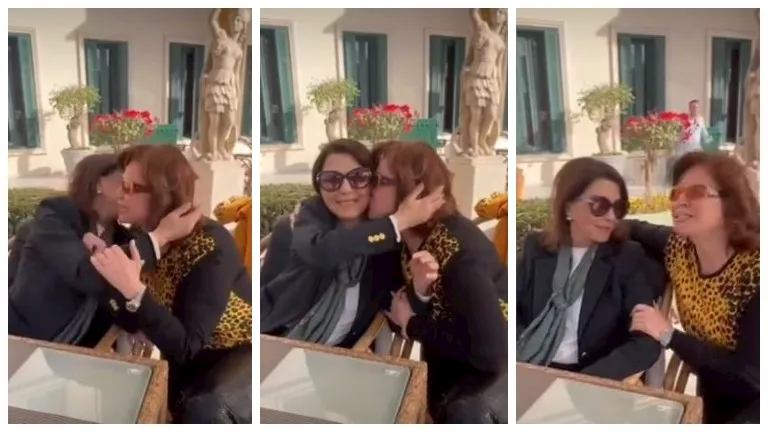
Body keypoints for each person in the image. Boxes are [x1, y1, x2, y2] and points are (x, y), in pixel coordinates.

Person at [89, 144, 252, 423]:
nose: (119, 195)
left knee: (202, 409)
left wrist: (136, 293)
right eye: (120, 184)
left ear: (161, 194)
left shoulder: (209, 246)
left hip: (234, 354)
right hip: (180, 357)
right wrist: (134, 305)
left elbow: (187, 344)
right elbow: (115, 301)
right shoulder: (143, 235)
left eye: (130, 187)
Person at [370, 140, 508, 423]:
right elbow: (392, 306)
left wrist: (413, 325)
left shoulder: (459, 252)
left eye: (381, 181)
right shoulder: (402, 241)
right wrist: (418, 297)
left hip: (481, 393)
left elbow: (491, 354)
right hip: (443, 383)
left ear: (415, 193)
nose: (369, 188)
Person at [260, 139, 444, 348]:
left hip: (339, 354)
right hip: (272, 342)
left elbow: (393, 303)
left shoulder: (384, 240)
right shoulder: (305, 221)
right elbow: (321, 252)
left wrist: (420, 288)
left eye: (358, 177)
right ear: (319, 187)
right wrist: (397, 222)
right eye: (331, 180)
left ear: (373, 183)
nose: (345, 189)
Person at [627, 151, 759, 424]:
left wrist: (668, 334)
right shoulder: (679, 249)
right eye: (676, 193)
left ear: (732, 203)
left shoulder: (755, 272)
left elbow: (749, 376)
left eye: (696, 192)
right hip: (712, 390)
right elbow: (634, 228)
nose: (680, 201)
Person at [8, 153, 189, 347]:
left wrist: (139, 324)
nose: (133, 193)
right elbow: (83, 273)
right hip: (25, 339)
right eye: (126, 182)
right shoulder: (57, 214)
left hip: (83, 344)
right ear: (98, 184)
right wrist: (159, 237)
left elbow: (120, 300)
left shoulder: (122, 238)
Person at [517, 157, 661, 382]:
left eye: (618, 208)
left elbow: (647, 341)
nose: (611, 217)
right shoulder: (537, 248)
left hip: (591, 376)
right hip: (528, 367)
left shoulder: (626, 258)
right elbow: (507, 310)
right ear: (568, 207)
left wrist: (590, 380)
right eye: (599, 206)